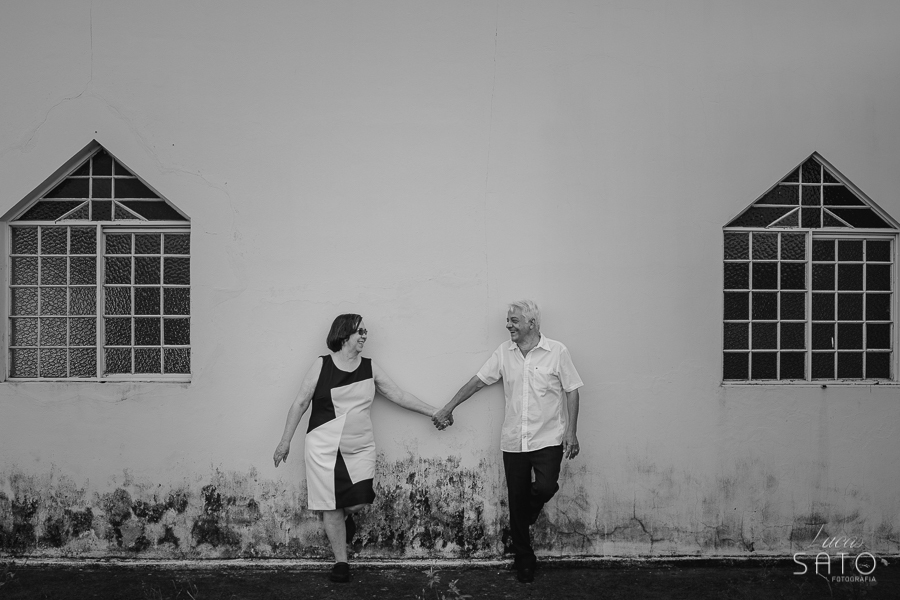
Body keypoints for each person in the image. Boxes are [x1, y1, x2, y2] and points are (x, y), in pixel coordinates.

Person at [274, 313, 439, 583]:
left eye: (365, 331)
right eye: (359, 331)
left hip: (359, 447)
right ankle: (341, 562)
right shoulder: (322, 365)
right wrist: (285, 441)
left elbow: (398, 395)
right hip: (323, 445)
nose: (364, 335)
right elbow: (301, 402)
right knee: (330, 504)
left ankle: (343, 519)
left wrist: (434, 412)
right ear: (344, 334)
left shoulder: (370, 367)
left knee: (360, 499)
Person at [432, 300, 583, 583]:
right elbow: (478, 381)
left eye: (514, 320)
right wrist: (449, 407)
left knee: (546, 485)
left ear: (531, 324)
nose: (508, 325)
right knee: (516, 498)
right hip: (513, 440)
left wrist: (571, 432)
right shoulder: (505, 352)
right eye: (508, 320)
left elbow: (572, 390)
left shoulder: (557, 352)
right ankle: (524, 558)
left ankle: (521, 520)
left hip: (548, 438)